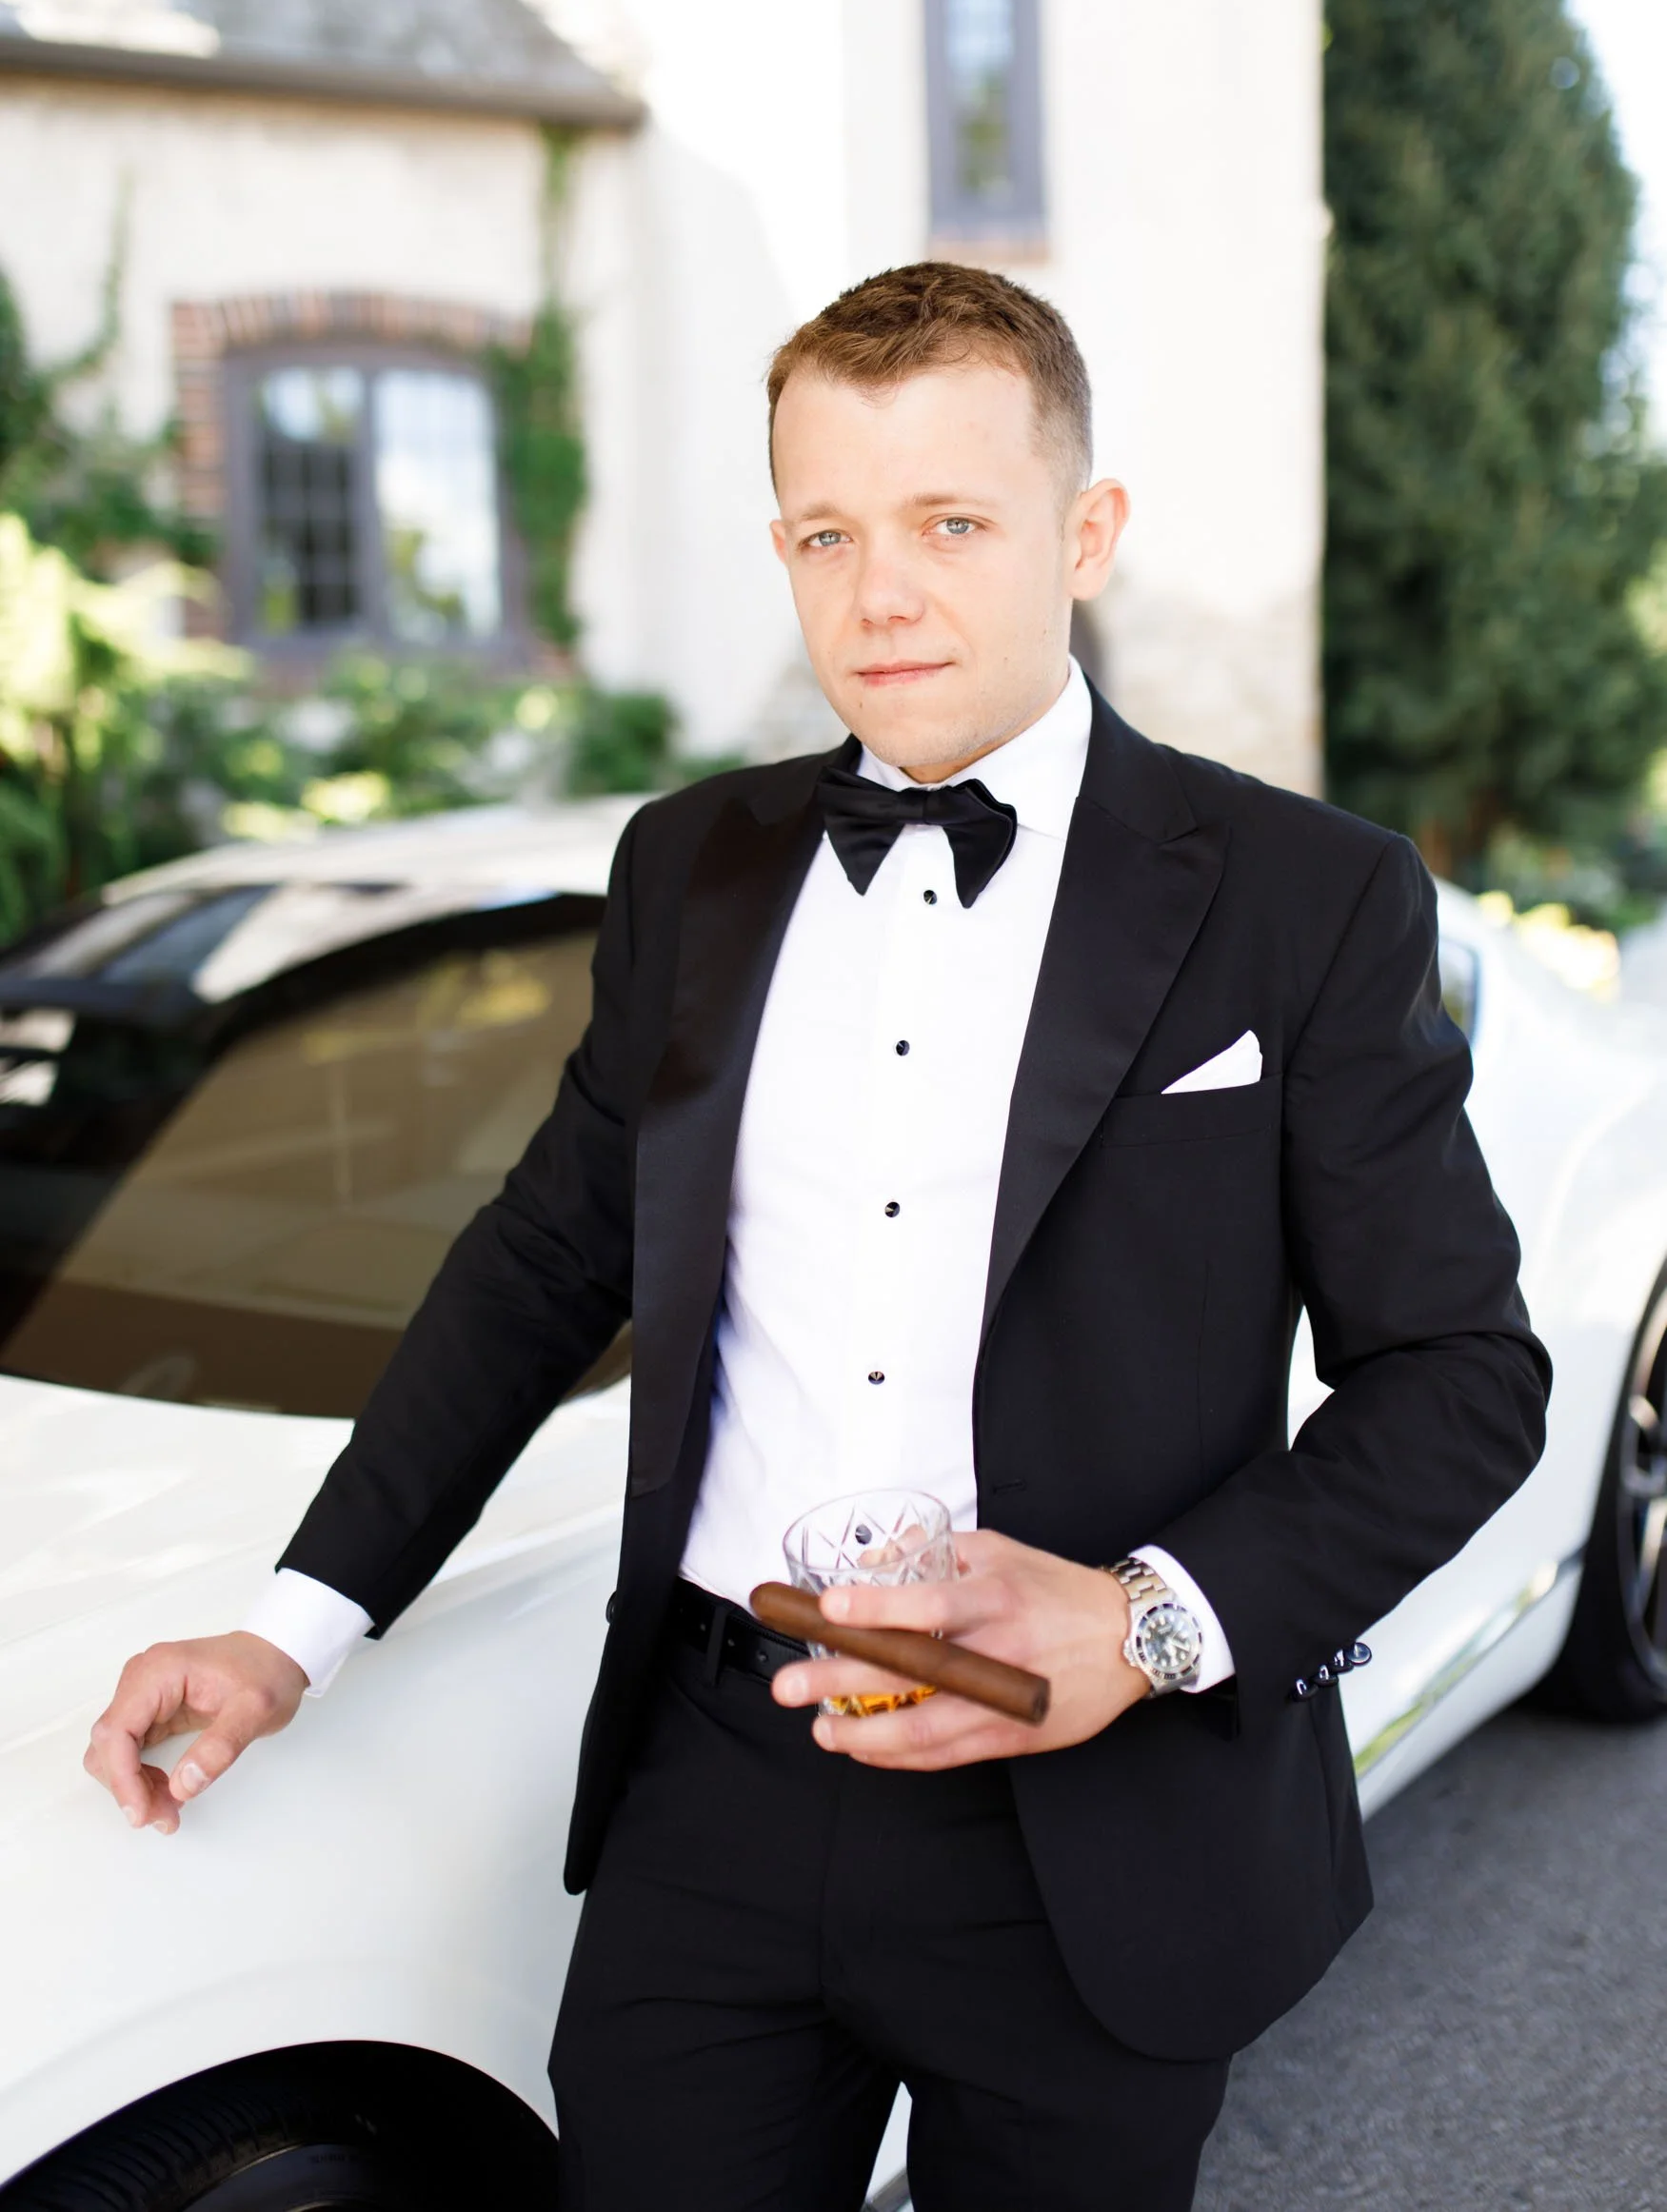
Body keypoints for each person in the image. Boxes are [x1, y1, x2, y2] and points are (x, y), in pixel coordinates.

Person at [86, 263, 1549, 2211]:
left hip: (1094, 1802)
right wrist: (289, 1630)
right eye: (825, 533)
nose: (881, 594)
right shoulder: (686, 859)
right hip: (720, 1772)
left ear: (1081, 529)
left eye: (951, 522)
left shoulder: (1309, 897)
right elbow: (540, 1261)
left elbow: (1458, 1376)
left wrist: (1136, 1623)